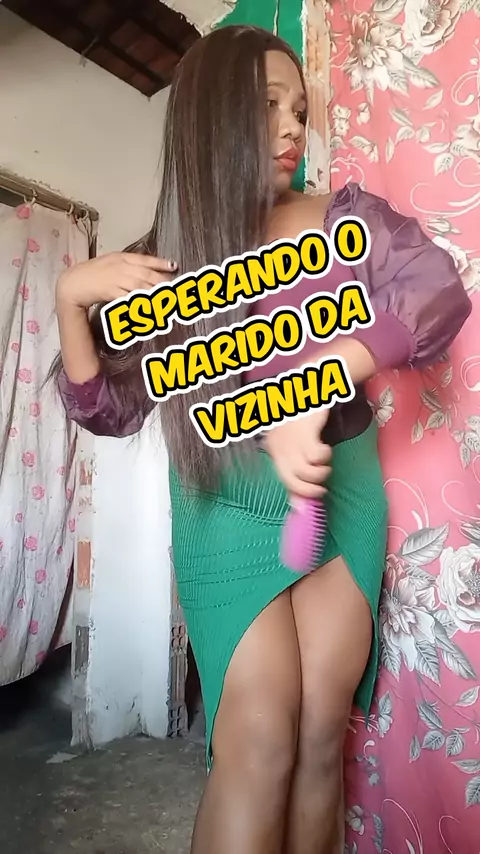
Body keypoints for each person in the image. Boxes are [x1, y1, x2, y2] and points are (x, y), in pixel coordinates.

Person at [53, 25, 471, 854]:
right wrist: (72, 299)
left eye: (300, 110)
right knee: (258, 740)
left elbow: (435, 294)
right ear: (211, 116)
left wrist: (319, 379)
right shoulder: (164, 263)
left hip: (338, 487)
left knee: (319, 736)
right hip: (226, 501)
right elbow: (107, 410)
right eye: (268, 104)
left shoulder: (343, 221)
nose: (292, 127)